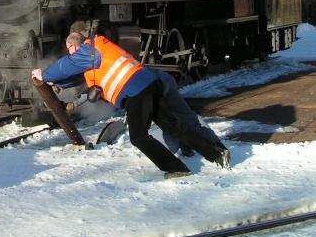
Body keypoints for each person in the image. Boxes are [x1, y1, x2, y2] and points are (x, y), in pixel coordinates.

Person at [31, 32, 231, 177]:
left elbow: (68, 65)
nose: (70, 53)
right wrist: (55, 82)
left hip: (136, 91)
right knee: (173, 126)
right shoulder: (94, 54)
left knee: (139, 137)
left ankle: (175, 168)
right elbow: (76, 77)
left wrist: (45, 74)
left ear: (75, 46)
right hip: (148, 85)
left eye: (70, 50)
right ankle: (217, 154)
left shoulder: (90, 49)